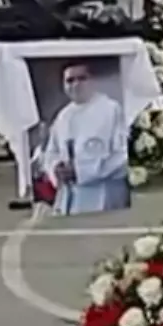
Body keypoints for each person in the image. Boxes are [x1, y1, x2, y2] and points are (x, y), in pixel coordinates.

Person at [44, 62, 131, 216]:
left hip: (104, 193)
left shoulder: (111, 110)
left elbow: (123, 155)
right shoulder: (63, 116)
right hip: (70, 198)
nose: (76, 84)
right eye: (70, 80)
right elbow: (51, 152)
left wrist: (82, 171)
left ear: (93, 81)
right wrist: (56, 168)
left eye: (81, 78)